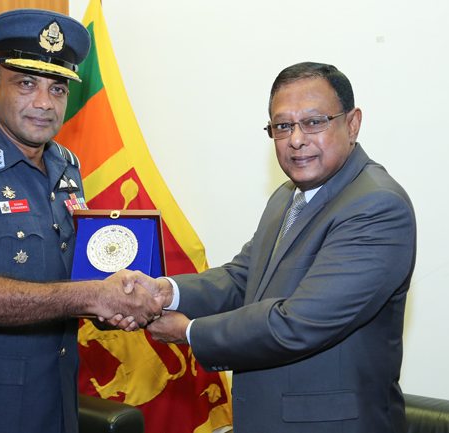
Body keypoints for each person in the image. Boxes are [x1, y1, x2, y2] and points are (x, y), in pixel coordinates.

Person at [124, 62, 417, 432]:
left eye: (314, 122)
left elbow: (298, 323)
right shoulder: (287, 196)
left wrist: (188, 332)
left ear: (353, 123)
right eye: (282, 126)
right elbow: (242, 278)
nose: (296, 139)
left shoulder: (376, 206)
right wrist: (168, 291)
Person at [0, 9, 160, 433]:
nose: (44, 103)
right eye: (27, 84)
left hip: (57, 395)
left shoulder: (68, 166)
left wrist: (117, 300)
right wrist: (93, 297)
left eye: (58, 89)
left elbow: (74, 273)